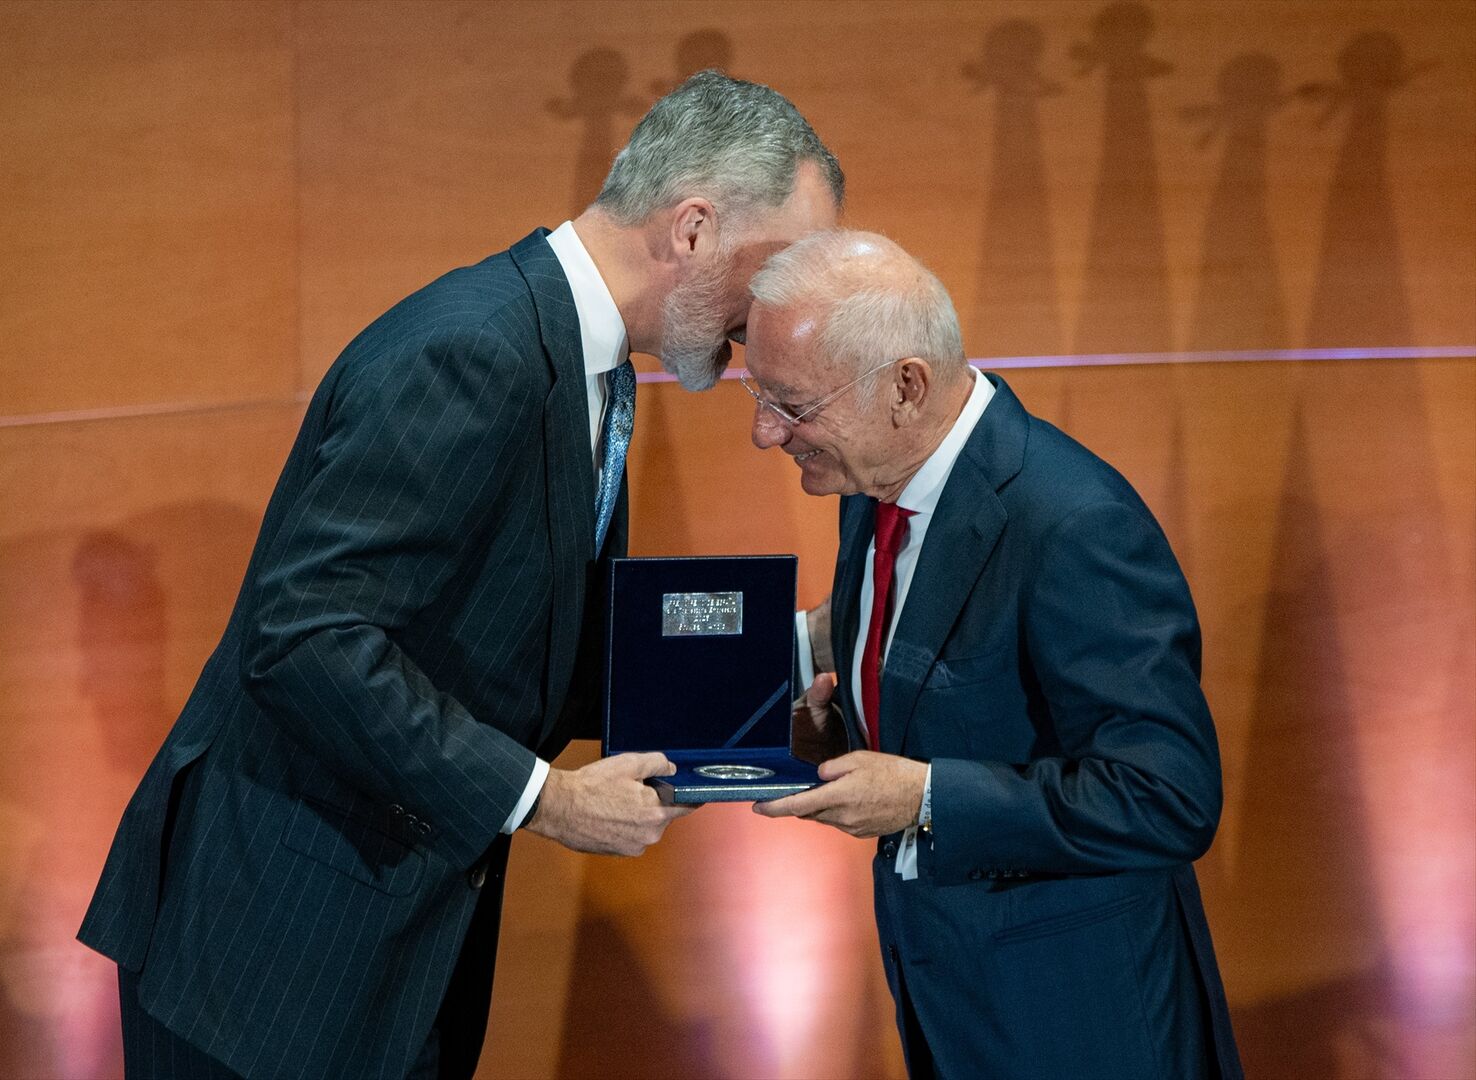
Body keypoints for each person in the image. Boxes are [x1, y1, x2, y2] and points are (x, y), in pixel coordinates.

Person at [79, 71, 842, 1080]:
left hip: (378, 950)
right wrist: (547, 800)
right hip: (271, 962)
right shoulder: (473, 352)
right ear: (693, 228)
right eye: (778, 267)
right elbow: (304, 636)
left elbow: (543, 644)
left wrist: (786, 659)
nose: (781, 311)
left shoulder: (584, 362)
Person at [746, 231, 1242, 1080]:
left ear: (906, 386)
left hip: (1082, 1021)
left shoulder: (1074, 521)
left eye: (792, 405)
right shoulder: (876, 484)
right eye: (759, 395)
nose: (765, 432)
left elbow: (1168, 795)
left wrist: (926, 796)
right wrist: (842, 732)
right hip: (952, 999)